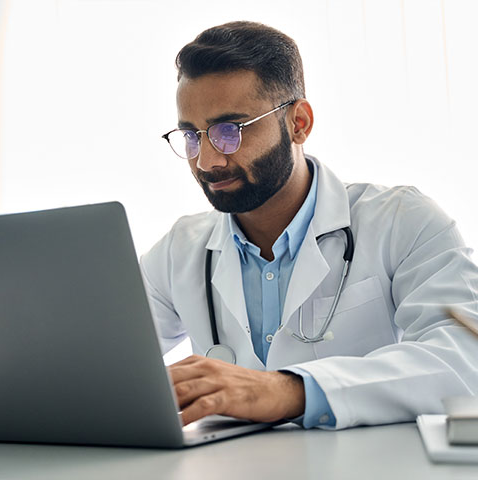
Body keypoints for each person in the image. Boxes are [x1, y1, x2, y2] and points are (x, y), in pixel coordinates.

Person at [140, 21, 478, 430]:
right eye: (192, 136)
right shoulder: (180, 250)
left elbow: (463, 358)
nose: (207, 160)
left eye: (230, 131)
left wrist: (287, 391)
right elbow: (96, 360)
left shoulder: (402, 221)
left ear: (299, 122)